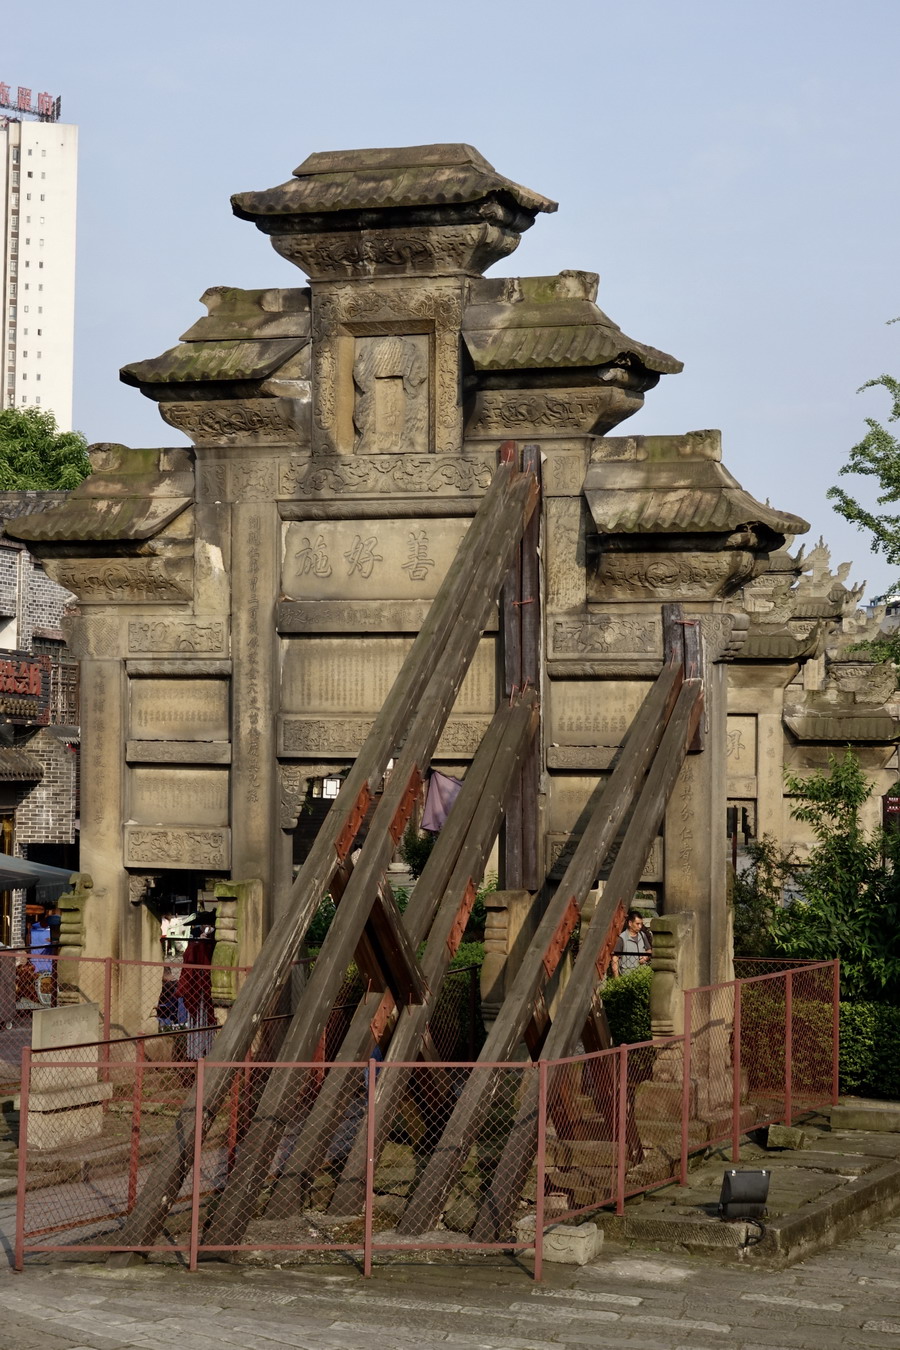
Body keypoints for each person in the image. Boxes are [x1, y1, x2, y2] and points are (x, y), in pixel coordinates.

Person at [611, 909, 652, 977]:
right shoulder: (622, 938)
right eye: (637, 924)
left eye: (641, 924)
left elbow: (649, 950)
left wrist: (645, 958)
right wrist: (617, 978)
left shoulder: (642, 935)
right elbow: (615, 958)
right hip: (627, 976)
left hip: (642, 975)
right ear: (630, 923)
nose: (640, 926)